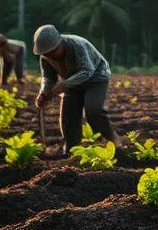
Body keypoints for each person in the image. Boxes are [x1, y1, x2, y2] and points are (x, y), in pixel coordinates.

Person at [32, 24, 122, 152]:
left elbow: (87, 71)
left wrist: (62, 86)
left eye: (53, 51)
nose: (50, 55)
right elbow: (48, 77)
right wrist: (43, 93)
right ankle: (71, 149)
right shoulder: (46, 57)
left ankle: (113, 140)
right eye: (46, 53)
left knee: (93, 111)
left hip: (96, 78)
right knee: (68, 117)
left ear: (60, 42)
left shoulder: (76, 45)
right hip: (71, 82)